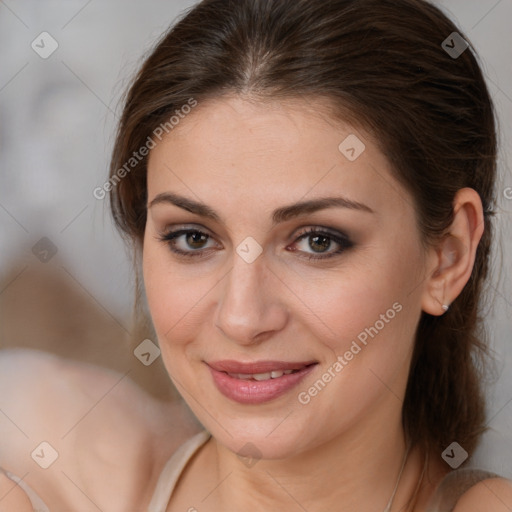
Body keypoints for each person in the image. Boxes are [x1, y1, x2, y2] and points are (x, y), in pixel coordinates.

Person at [1, 0, 512, 510]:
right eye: (193, 238)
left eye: (317, 241)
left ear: (447, 256)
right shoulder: (45, 461)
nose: (242, 318)